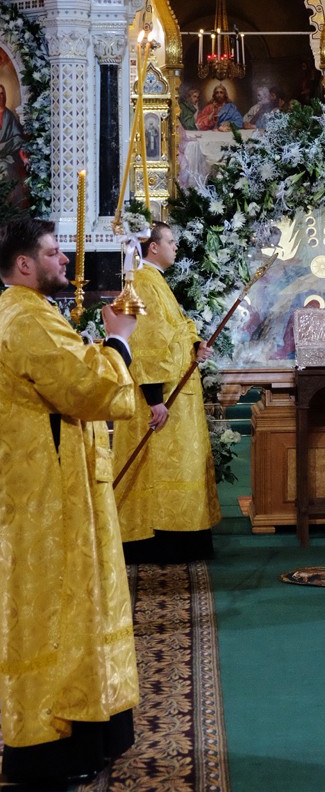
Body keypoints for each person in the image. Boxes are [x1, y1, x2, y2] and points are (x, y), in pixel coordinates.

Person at [0, 218, 139, 786]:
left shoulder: (23, 313)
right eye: (54, 253)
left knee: (71, 604)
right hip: (48, 500)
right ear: (24, 264)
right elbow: (87, 388)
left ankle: (88, 732)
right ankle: (53, 745)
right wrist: (119, 339)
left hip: (51, 488)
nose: (64, 261)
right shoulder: (26, 318)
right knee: (58, 609)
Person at [113, 221, 221, 562]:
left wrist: (196, 343)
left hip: (177, 392)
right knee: (160, 467)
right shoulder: (143, 282)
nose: (176, 247)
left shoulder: (155, 280)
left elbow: (177, 327)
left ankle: (181, 535)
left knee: (178, 466)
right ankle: (160, 539)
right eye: (171, 241)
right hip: (162, 398)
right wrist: (155, 400)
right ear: (154, 247)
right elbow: (146, 343)